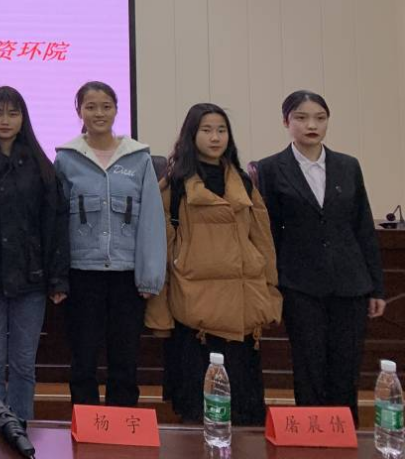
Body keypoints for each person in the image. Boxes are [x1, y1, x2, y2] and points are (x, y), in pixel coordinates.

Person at [145, 103, 281, 425]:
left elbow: (263, 243)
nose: (215, 137)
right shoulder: (174, 184)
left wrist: (270, 295)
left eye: (221, 130)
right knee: (199, 413)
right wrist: (160, 312)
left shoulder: (244, 183)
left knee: (245, 413)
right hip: (195, 316)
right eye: (206, 130)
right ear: (191, 135)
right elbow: (160, 252)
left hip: (242, 311)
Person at [256, 90, 385, 422]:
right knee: (309, 366)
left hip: (350, 284)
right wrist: (271, 286)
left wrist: (376, 287)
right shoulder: (271, 169)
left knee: (346, 367)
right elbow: (268, 234)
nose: (311, 125)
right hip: (300, 285)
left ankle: (344, 433)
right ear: (286, 122)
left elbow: (363, 228)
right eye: (301, 118)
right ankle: (312, 432)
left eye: (319, 118)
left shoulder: (347, 165)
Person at [0, 85, 68, 422]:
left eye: (13, 113)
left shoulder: (40, 165)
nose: (5, 120)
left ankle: (21, 431)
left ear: (23, 119)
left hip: (31, 280)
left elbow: (54, 224)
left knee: (23, 364)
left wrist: (58, 277)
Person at [54, 80, 165, 407]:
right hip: (82, 273)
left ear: (116, 109)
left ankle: (122, 423)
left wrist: (149, 276)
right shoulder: (66, 159)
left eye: (106, 106)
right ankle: (85, 423)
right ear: (79, 111)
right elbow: (57, 222)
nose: (99, 113)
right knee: (83, 357)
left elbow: (152, 220)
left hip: (126, 275)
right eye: (90, 107)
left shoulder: (138, 158)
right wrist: (58, 276)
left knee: (125, 357)